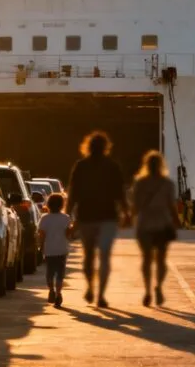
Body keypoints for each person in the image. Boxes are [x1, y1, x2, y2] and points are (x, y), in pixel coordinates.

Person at [66, 131, 129, 308]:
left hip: (86, 216)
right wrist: (126, 213)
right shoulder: (112, 166)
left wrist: (67, 215)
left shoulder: (81, 166)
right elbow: (120, 192)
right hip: (108, 217)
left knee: (88, 256)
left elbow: (73, 193)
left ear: (88, 146)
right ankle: (100, 293)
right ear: (106, 147)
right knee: (105, 256)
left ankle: (90, 287)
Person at [131, 151, 179, 307]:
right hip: (162, 224)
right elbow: (172, 206)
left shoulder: (140, 183)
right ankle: (158, 286)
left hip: (144, 224)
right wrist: (177, 221)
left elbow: (135, 207)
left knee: (146, 259)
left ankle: (147, 291)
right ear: (161, 165)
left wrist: (128, 218)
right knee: (161, 260)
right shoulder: (167, 184)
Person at [38, 193, 72, 308]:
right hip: (62, 250)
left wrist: (41, 247)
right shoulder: (66, 218)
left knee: (50, 272)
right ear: (62, 205)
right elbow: (68, 235)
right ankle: (58, 294)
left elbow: (41, 235)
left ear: (49, 204)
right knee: (60, 274)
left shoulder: (44, 218)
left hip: (49, 250)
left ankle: (51, 289)